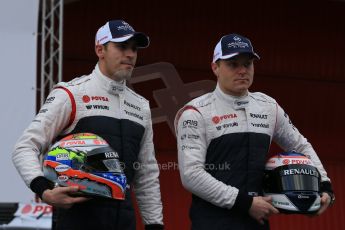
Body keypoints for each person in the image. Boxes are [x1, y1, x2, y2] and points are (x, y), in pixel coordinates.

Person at [12, 20, 164, 230]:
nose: (130, 54)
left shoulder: (141, 106)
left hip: (125, 220)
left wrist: (154, 224)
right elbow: (24, 147)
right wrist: (44, 190)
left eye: (134, 48)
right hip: (77, 218)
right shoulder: (72, 94)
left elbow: (146, 171)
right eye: (121, 47)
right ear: (99, 49)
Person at [174, 33, 335, 230]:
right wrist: (245, 203)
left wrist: (325, 185)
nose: (242, 70)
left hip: (257, 222)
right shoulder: (196, 112)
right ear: (215, 67)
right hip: (212, 222)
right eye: (233, 64)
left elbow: (300, 145)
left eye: (247, 63)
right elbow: (191, 175)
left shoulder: (268, 107)